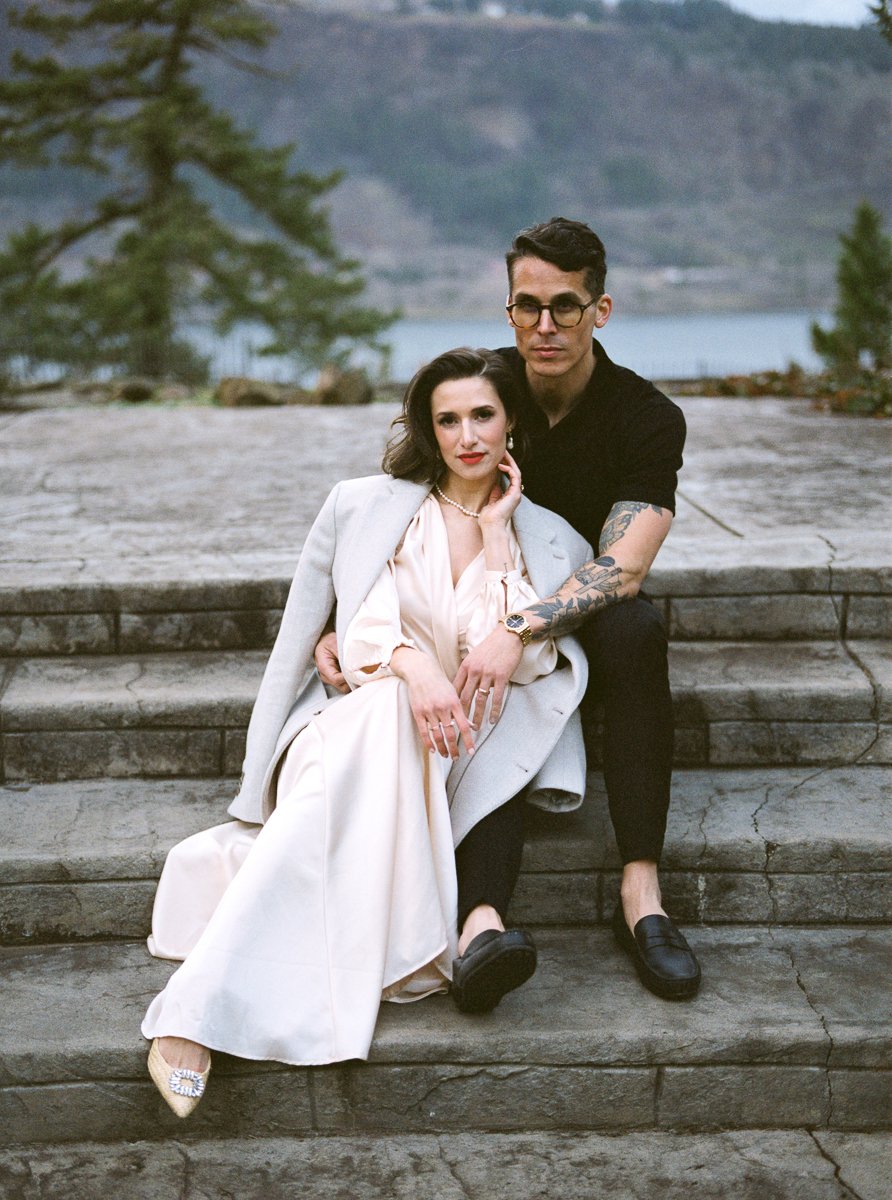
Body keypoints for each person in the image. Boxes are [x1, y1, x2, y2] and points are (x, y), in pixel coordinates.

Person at [142, 348, 591, 1118]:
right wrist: (415, 670)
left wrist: (494, 537)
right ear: (428, 429)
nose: (467, 436)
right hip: (355, 725)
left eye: (482, 415)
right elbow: (349, 633)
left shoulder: (550, 539)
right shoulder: (366, 505)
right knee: (388, 708)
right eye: (447, 419)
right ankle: (194, 1012)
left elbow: (527, 662)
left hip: (460, 746)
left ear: (511, 420)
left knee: (411, 732)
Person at [316, 218, 702, 1001]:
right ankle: (480, 927)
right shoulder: (484, 389)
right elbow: (398, 504)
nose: (545, 325)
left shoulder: (646, 416)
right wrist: (343, 615)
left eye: (566, 306)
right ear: (510, 310)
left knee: (636, 628)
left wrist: (517, 628)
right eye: (529, 306)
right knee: (465, 683)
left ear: (600, 310)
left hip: (570, 608)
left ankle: (641, 893)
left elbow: (624, 568)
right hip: (467, 604)